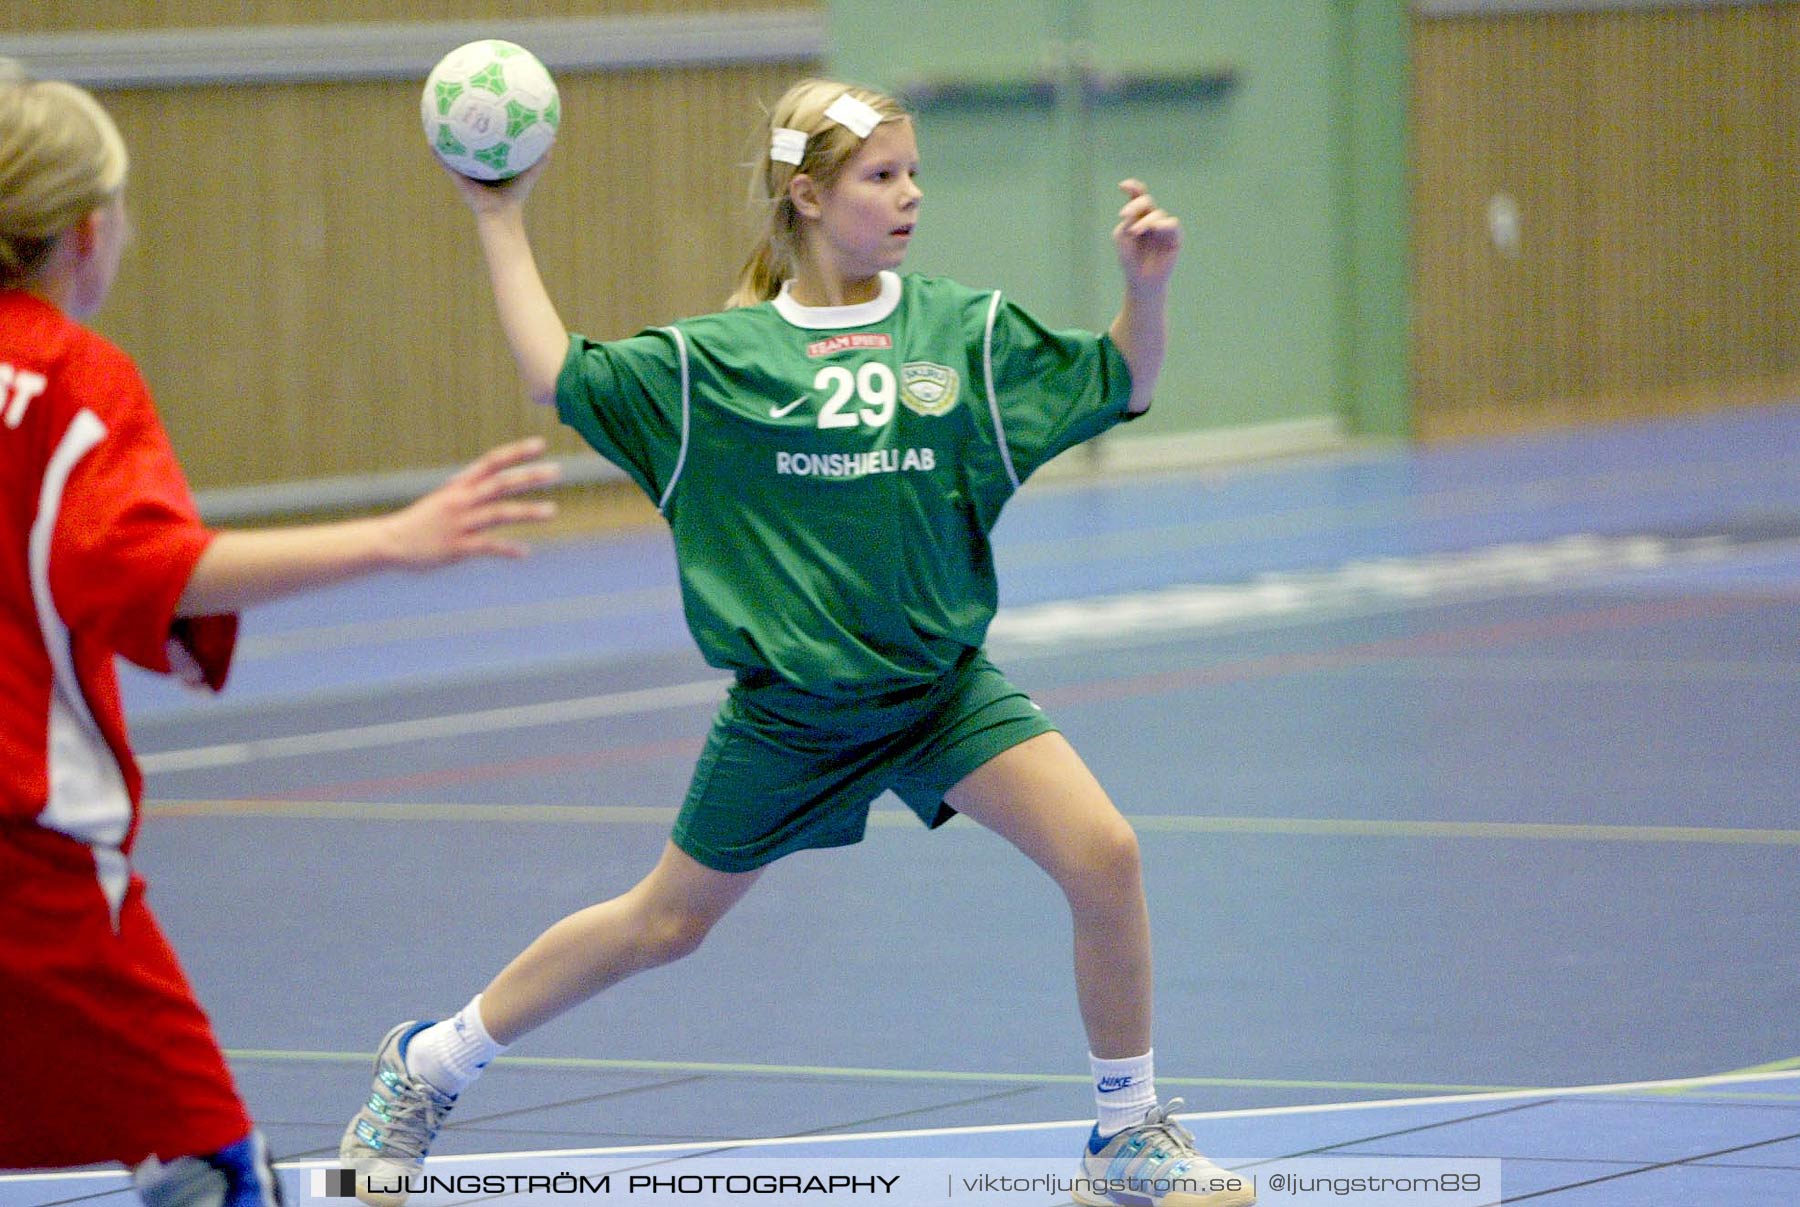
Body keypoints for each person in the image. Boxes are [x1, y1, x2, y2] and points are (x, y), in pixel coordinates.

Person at [340, 77, 1254, 1207]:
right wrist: (497, 213)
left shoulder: (959, 334)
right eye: (883, 176)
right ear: (809, 196)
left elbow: (1122, 379)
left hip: (938, 693)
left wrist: (1145, 291)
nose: (911, 195)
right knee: (663, 925)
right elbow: (555, 372)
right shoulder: (716, 366)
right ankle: (426, 1066)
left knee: (1105, 854)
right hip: (793, 717)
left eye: (915, 172)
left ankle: (1125, 1140)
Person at [0, 74, 561, 1206]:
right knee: (205, 1164)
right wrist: (395, 539)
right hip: (30, 857)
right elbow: (151, 567)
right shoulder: (70, 381)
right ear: (90, 231)